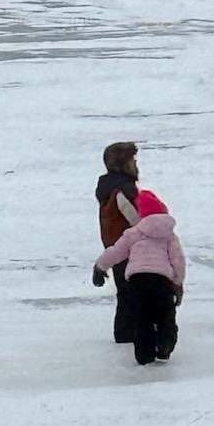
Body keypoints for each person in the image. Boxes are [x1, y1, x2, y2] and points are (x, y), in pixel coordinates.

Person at [93, 189, 186, 366]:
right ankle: (165, 342)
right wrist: (178, 283)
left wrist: (100, 266)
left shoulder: (133, 233)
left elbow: (115, 252)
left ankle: (144, 354)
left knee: (142, 319)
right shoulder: (169, 237)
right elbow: (178, 260)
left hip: (137, 281)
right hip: (162, 282)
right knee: (166, 315)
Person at [95, 141, 140, 343]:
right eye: (132, 160)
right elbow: (137, 219)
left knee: (125, 291)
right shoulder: (123, 189)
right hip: (128, 247)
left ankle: (125, 332)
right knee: (131, 292)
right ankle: (128, 333)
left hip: (115, 246)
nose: (136, 164)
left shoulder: (109, 187)